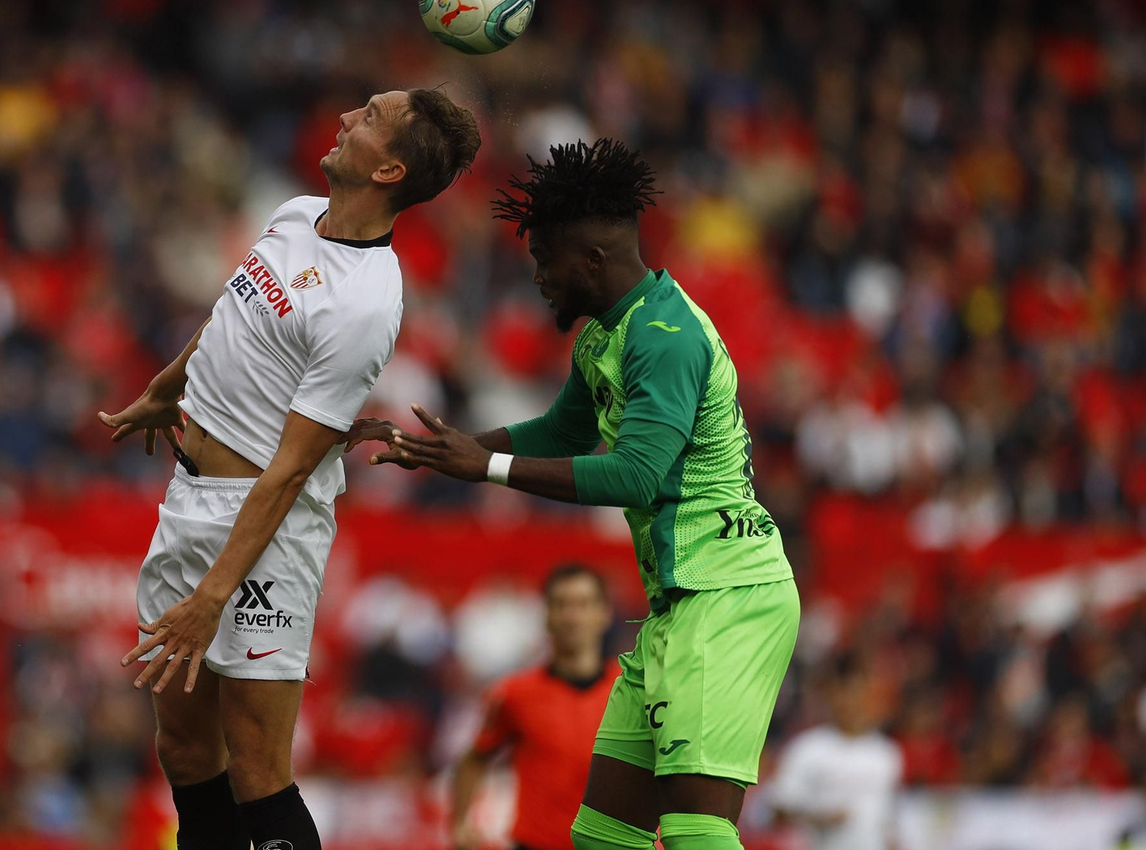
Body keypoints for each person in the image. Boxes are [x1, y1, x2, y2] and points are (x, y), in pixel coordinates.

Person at [357, 139, 799, 850]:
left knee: (694, 830)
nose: (538, 277)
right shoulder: (605, 336)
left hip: (728, 595)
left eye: (545, 260)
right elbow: (563, 431)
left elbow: (635, 474)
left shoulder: (667, 336)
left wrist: (487, 468)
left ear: (591, 260)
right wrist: (448, 450)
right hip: (678, 605)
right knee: (602, 836)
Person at [100, 88, 481, 850]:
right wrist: (166, 388)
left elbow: (292, 470)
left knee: (258, 767)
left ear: (390, 170)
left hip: (268, 533)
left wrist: (213, 596)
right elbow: (232, 314)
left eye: (369, 119)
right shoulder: (296, 214)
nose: (344, 120)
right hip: (189, 499)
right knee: (184, 749)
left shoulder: (365, 302)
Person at [449, 563, 620, 850]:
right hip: (536, 843)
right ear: (546, 615)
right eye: (561, 605)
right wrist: (460, 824)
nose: (572, 616)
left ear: (605, 613)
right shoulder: (514, 694)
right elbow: (476, 758)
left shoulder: (632, 690)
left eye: (583, 604)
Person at [771, 656, 902, 850]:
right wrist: (818, 818)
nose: (850, 703)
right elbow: (779, 810)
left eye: (856, 694)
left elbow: (889, 818)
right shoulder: (807, 748)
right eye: (843, 694)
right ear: (830, 697)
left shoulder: (886, 753)